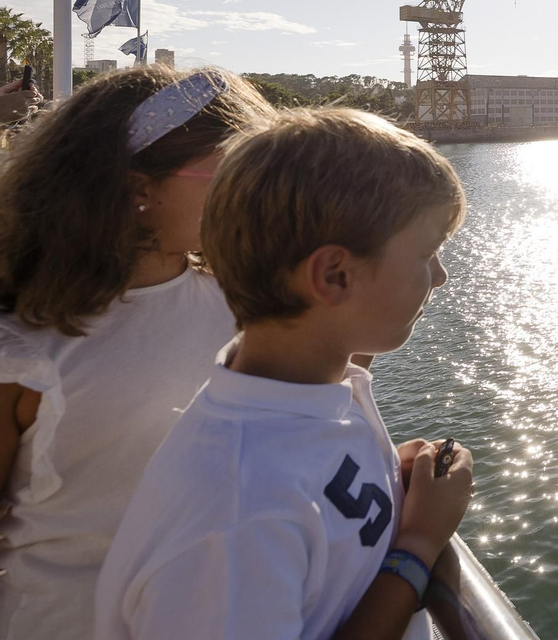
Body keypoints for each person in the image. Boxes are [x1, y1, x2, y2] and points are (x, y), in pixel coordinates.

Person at [95, 108, 475, 640]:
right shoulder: (232, 517)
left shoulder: (319, 391)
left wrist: (387, 475)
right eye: (428, 253)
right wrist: (419, 546)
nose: (441, 276)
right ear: (334, 275)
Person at [0, 66, 273, 636]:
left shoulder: (246, 305)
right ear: (138, 189)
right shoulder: (24, 350)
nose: (251, 193)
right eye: (230, 173)